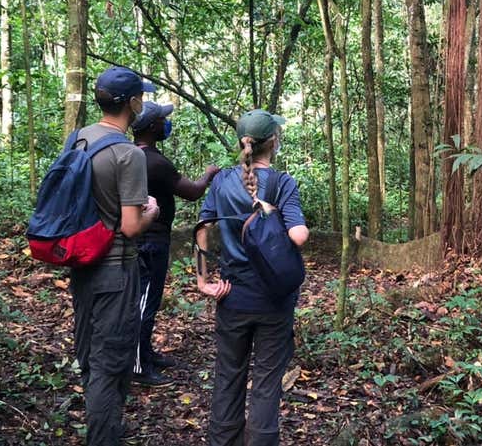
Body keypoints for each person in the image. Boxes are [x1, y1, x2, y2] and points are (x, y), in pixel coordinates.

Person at [196, 109, 309, 446]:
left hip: (232, 296)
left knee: (228, 375)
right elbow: (299, 235)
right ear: (272, 141)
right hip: (273, 300)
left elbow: (204, 229)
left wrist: (203, 280)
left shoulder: (221, 181)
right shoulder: (282, 182)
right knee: (266, 382)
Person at [70, 66, 160, 445]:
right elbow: (129, 226)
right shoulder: (128, 154)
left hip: (82, 264)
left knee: (91, 356)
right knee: (111, 364)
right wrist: (150, 212)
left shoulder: (79, 139)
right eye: (142, 97)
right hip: (116, 269)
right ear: (134, 103)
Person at [130, 101, 220, 386]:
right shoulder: (154, 162)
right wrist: (209, 174)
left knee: (149, 299)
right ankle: (137, 366)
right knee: (144, 302)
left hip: (146, 238)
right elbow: (192, 192)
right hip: (149, 241)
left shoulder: (133, 155)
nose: (165, 124)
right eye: (162, 120)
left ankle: (145, 353)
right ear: (152, 126)